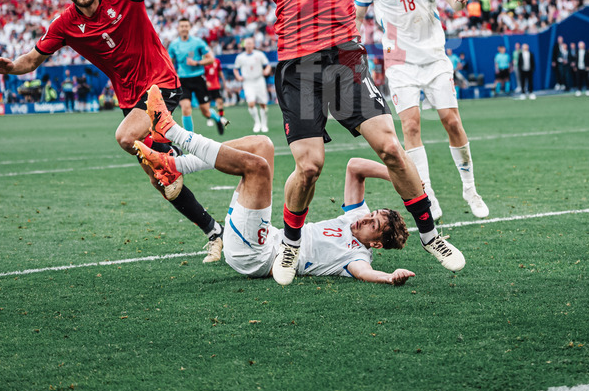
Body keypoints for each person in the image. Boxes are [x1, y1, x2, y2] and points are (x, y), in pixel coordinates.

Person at [127, 0, 464, 286]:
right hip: (298, 67)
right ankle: (289, 244)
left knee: (392, 149)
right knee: (309, 167)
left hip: (344, 61)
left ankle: (431, 236)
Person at [0, 0, 228, 262]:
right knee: (160, 181)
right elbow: (31, 60)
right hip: (129, 99)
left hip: (160, 82)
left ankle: (172, 154)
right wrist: (9, 67)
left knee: (126, 137)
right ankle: (214, 231)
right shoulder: (64, 24)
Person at [137, 88, 415, 285]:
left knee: (258, 168)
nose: (366, 218)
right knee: (262, 145)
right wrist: (396, 175)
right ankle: (176, 165)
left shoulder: (357, 256)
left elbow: (367, 274)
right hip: (261, 236)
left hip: (257, 256)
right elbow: (355, 166)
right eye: (372, 214)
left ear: (376, 243)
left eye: (373, 224)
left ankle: (172, 133)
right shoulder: (356, 218)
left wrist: (390, 277)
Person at [355, 0, 489, 220]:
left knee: (451, 121)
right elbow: (357, 18)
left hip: (434, 57)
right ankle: (426, 193)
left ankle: (470, 189)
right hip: (400, 62)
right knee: (411, 126)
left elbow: (453, 1)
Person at [167, 20, 225, 135]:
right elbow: (169, 63)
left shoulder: (197, 42)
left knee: (206, 112)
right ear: (178, 28)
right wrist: (172, 75)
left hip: (198, 78)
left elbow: (211, 59)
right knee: (185, 107)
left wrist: (197, 63)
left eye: (186, 26)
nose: (184, 28)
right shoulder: (174, 45)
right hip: (183, 80)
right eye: (182, 26)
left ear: (190, 27)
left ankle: (218, 119)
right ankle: (190, 138)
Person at [234, 37, 272, 133]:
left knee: (262, 104)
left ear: (253, 44)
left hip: (259, 81)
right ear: (244, 45)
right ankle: (257, 122)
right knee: (251, 103)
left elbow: (267, 65)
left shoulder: (259, 54)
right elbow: (235, 69)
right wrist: (238, 77)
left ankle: (264, 124)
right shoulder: (240, 57)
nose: (249, 45)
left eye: (250, 43)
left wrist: (267, 70)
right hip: (248, 82)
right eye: (247, 43)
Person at [205, 54, 227, 124]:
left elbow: (220, 72)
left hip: (216, 85)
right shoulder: (204, 63)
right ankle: (209, 119)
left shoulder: (217, 61)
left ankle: (221, 117)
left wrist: (224, 82)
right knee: (207, 103)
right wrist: (205, 82)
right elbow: (201, 74)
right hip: (207, 87)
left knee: (220, 101)